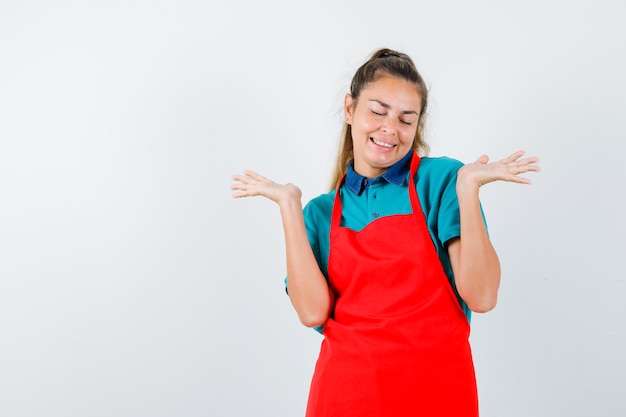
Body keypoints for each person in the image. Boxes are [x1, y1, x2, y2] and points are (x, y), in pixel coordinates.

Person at [230, 48, 539, 417]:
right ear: (350, 110)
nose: (390, 129)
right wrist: (289, 207)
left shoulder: (440, 183)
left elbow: (483, 296)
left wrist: (468, 188)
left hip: (438, 395)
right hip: (345, 395)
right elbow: (313, 312)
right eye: (377, 112)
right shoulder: (319, 213)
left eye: (406, 120)